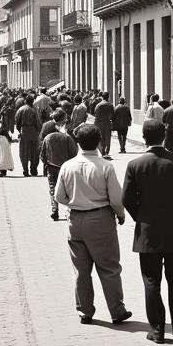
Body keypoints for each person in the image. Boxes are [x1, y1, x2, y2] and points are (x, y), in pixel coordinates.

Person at [122, 118, 173, 343]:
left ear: (144, 137)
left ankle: (157, 330)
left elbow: (126, 199)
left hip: (148, 232)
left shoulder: (135, 165)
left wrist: (141, 217)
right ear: (164, 135)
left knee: (151, 280)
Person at [54, 124, 132, 326]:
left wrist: (74, 202)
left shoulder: (67, 166)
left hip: (75, 221)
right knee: (108, 267)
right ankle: (116, 310)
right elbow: (116, 198)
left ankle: (85, 311)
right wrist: (120, 214)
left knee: (81, 270)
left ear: (77, 142)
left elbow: (59, 196)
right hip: (100, 219)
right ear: (98, 141)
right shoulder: (105, 166)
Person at [41, 113, 78, 220]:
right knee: (68, 189)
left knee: (53, 189)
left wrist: (47, 163)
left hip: (51, 168)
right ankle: (70, 210)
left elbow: (42, 155)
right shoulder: (67, 138)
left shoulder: (47, 138)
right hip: (66, 168)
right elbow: (74, 154)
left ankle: (54, 210)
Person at [15, 96, 41, 177]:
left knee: (24, 152)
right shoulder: (35, 110)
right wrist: (38, 131)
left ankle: (25, 170)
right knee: (35, 151)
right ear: (33, 101)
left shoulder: (21, 109)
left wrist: (20, 130)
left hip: (24, 131)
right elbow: (38, 122)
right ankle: (33, 169)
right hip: (33, 131)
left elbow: (17, 121)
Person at [93, 91, 115, 157]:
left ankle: (102, 151)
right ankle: (106, 151)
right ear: (108, 97)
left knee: (101, 138)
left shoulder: (98, 105)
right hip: (107, 123)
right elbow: (113, 114)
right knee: (107, 138)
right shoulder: (110, 105)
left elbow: (95, 114)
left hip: (99, 123)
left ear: (102, 97)